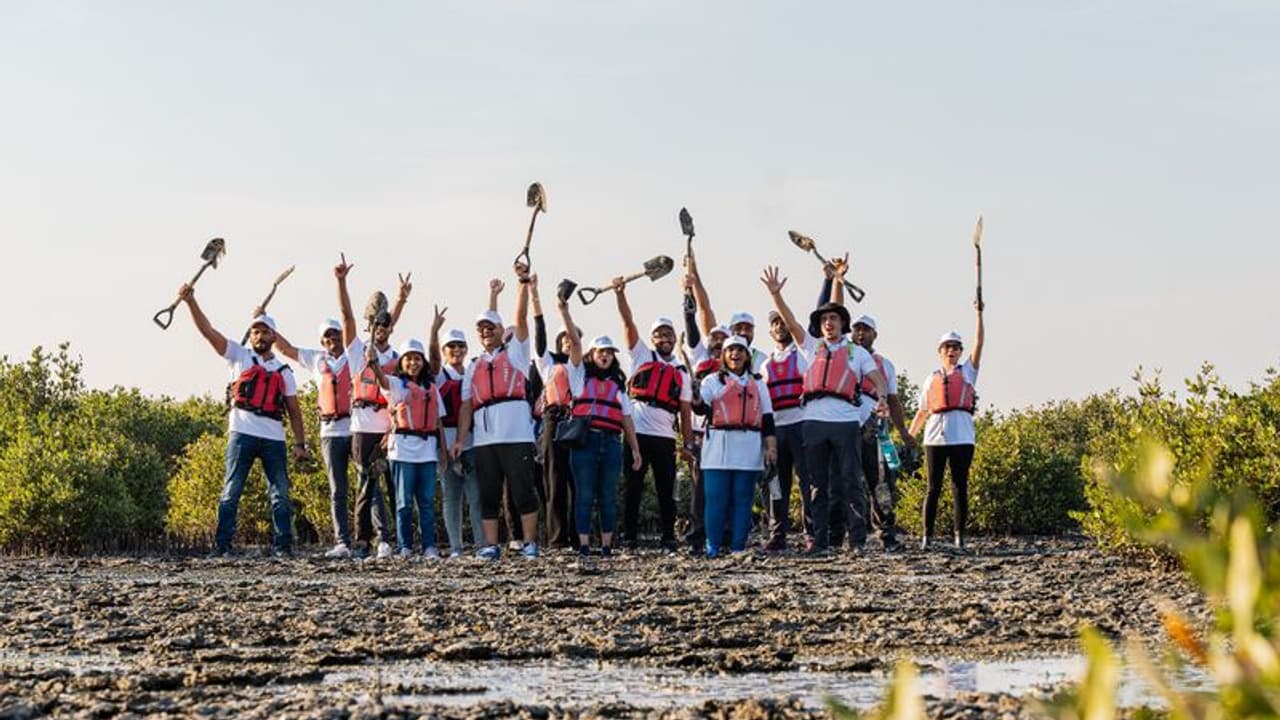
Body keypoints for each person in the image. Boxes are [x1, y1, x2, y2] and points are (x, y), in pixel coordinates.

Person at [761, 264, 889, 554]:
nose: (829, 323)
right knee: (817, 486)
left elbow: (877, 379)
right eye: (824, 319)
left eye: (834, 318)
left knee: (850, 482)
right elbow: (792, 322)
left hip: (845, 422)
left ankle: (856, 541)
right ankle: (818, 542)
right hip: (813, 421)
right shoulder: (812, 347)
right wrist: (776, 296)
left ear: (842, 324)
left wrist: (881, 397)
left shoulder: (856, 352)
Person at [176, 283, 308, 557]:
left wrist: (300, 444)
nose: (259, 335)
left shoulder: (284, 371)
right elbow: (208, 332)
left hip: (273, 437)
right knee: (231, 490)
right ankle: (223, 546)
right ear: (251, 335)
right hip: (242, 432)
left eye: (265, 331)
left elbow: (294, 411)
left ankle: (283, 547)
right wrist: (191, 302)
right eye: (256, 331)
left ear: (274, 336)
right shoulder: (239, 355)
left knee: (280, 493)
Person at [451, 264, 541, 560]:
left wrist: (522, 284)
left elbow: (521, 318)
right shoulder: (474, 366)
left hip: (516, 434)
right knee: (489, 494)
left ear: (502, 332)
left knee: (523, 491)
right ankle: (490, 545)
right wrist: (461, 440)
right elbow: (466, 406)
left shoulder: (516, 354)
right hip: (486, 439)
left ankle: (529, 542)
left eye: (491, 328)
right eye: (482, 328)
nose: (486, 331)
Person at [611, 275, 695, 551]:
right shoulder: (642, 356)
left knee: (665, 489)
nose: (665, 338)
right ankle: (630, 536)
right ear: (653, 339)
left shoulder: (680, 373)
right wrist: (620, 295)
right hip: (637, 434)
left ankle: (669, 538)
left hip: (664, 437)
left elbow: (684, 411)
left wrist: (688, 443)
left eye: (669, 334)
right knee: (633, 487)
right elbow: (627, 323)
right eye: (659, 334)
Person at [336, 255, 411, 559]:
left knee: (391, 485)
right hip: (361, 428)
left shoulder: (396, 356)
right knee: (366, 483)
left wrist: (401, 300)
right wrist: (341, 282)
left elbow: (396, 395)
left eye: (386, 326)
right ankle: (363, 541)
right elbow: (346, 318)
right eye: (377, 326)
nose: (381, 330)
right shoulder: (357, 354)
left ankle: (393, 540)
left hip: (387, 428)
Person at [555, 297, 642, 556]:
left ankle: (606, 546)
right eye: (600, 352)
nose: (605, 355)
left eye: (609, 352)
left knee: (607, 495)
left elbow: (626, 419)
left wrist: (635, 450)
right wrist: (564, 311)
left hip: (612, 443)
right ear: (591, 355)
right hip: (586, 442)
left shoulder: (617, 385)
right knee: (584, 494)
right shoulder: (579, 376)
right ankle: (583, 545)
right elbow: (576, 341)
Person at [269, 318, 357, 558]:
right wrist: (266, 324)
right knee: (337, 489)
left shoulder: (354, 355)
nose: (333, 339)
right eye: (328, 336)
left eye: (336, 334)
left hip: (356, 428)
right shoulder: (316, 359)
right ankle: (343, 542)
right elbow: (285, 349)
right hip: (330, 431)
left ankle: (377, 539)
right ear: (322, 340)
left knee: (368, 485)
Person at [909, 299, 985, 550]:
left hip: (962, 436)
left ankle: (959, 537)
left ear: (960, 352)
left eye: (955, 348)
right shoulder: (931, 378)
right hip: (935, 438)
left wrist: (979, 314)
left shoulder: (968, 372)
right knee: (933, 487)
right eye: (946, 348)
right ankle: (926, 537)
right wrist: (909, 436)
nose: (951, 351)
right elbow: (922, 411)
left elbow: (979, 344)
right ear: (940, 352)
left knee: (959, 486)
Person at [365, 338, 446, 559]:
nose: (413, 363)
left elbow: (438, 422)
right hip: (402, 449)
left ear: (423, 362)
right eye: (409, 358)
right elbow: (381, 380)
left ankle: (429, 546)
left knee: (427, 502)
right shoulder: (396, 384)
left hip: (428, 449)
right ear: (401, 362)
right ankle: (405, 546)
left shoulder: (432, 388)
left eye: (417, 358)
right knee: (404, 501)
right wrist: (373, 363)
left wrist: (444, 452)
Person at [699, 337, 777, 557]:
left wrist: (771, 448)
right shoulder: (712, 381)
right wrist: (695, 397)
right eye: (731, 350)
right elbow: (701, 407)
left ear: (747, 355)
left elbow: (768, 418)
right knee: (716, 498)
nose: (736, 354)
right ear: (724, 355)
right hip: (718, 446)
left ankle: (738, 546)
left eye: (740, 350)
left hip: (749, 445)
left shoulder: (758, 382)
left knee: (743, 498)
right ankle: (713, 546)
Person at [848, 314, 916, 552]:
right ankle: (850, 535)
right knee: (848, 481)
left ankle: (886, 535)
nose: (860, 334)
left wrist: (904, 432)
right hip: (846, 425)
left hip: (876, 428)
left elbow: (894, 401)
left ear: (874, 334)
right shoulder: (843, 357)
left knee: (881, 481)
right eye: (856, 329)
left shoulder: (885, 365)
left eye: (866, 330)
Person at [429, 316, 486, 559]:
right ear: (444, 350)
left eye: (460, 346)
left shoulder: (473, 371)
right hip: (447, 441)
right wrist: (434, 330)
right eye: (451, 346)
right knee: (452, 497)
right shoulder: (440, 375)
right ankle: (456, 547)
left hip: (473, 440)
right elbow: (432, 359)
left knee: (476, 496)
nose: (457, 350)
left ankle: (482, 544)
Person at [531, 274, 577, 549]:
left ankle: (578, 536)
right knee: (553, 483)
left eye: (573, 340)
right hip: (553, 421)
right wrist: (536, 297)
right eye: (566, 341)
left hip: (578, 422)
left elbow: (576, 341)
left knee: (577, 485)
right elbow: (539, 334)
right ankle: (557, 539)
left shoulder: (579, 366)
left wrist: (565, 311)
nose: (570, 343)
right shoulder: (547, 365)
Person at [762, 309, 811, 552]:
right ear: (770, 331)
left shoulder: (802, 356)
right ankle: (777, 534)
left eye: (783, 322)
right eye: (775, 323)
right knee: (776, 483)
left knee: (807, 481)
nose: (780, 326)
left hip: (801, 424)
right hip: (776, 429)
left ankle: (810, 533)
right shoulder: (764, 365)